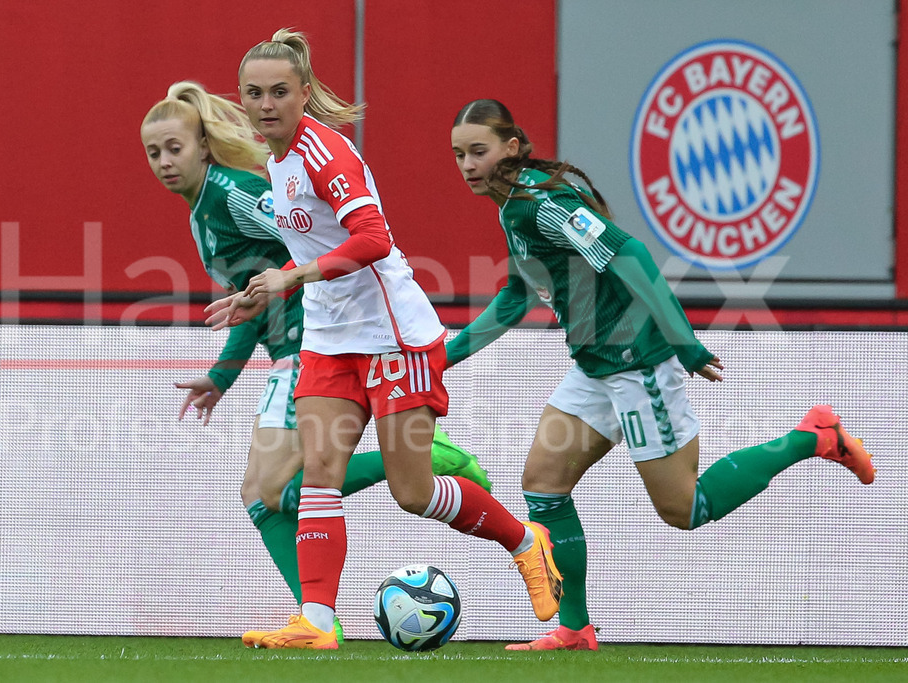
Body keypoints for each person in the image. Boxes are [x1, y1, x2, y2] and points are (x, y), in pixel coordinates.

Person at [446, 98, 876, 651]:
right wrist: (444, 358)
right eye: (458, 154)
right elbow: (513, 298)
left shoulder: (539, 201)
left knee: (684, 510)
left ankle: (813, 437)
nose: (466, 164)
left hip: (638, 364)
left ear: (510, 147)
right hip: (596, 367)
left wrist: (683, 340)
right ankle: (574, 628)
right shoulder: (512, 208)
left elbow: (630, 255)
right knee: (543, 486)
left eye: (477, 151)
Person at [204, 29, 563, 649]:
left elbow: (372, 240)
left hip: (393, 334)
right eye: (254, 93)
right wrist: (262, 294)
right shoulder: (277, 162)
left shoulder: (326, 153)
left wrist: (288, 277)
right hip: (329, 334)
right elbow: (312, 248)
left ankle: (525, 540)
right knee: (318, 472)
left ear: (305, 94)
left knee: (412, 492)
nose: (266, 104)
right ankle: (317, 621)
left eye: (280, 92)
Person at [139, 82, 493, 640]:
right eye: (153, 152)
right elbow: (250, 298)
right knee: (262, 497)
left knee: (271, 492)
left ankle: (425, 468)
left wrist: (270, 325)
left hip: (318, 344)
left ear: (204, 147)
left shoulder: (233, 194)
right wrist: (221, 376)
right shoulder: (199, 213)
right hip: (294, 349)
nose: (163, 162)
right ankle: (314, 618)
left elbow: (303, 250)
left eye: (174, 148)